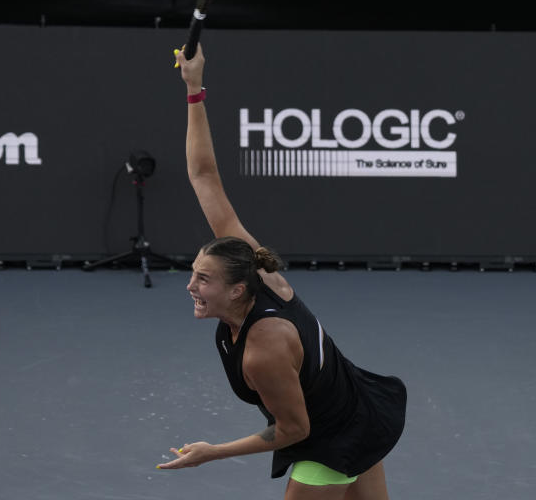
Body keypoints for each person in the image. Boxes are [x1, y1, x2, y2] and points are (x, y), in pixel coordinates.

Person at [156, 44, 406, 499]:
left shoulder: (263, 351)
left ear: (236, 291)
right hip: (357, 408)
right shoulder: (259, 271)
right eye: (194, 273)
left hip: (331, 440)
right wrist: (194, 90)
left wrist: (211, 452)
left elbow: (292, 429)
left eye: (203, 280)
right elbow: (204, 176)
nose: (191, 285)